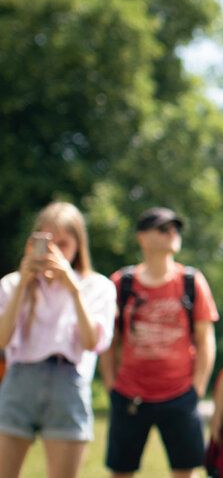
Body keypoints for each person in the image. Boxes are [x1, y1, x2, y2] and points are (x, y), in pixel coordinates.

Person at [100, 207, 219, 478]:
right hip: (130, 395)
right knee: (121, 470)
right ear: (142, 237)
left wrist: (197, 388)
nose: (172, 233)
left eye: (175, 228)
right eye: (163, 228)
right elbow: (109, 340)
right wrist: (111, 384)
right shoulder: (122, 283)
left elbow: (205, 339)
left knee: (185, 470)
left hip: (180, 394)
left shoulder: (191, 281)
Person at [0, 202, 117, 477]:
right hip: (20, 379)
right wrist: (23, 285)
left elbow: (91, 343)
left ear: (79, 244)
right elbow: (2, 340)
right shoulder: (10, 284)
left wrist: (72, 288)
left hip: (68, 381)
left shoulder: (96, 286)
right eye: (48, 243)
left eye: (63, 244)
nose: (55, 252)